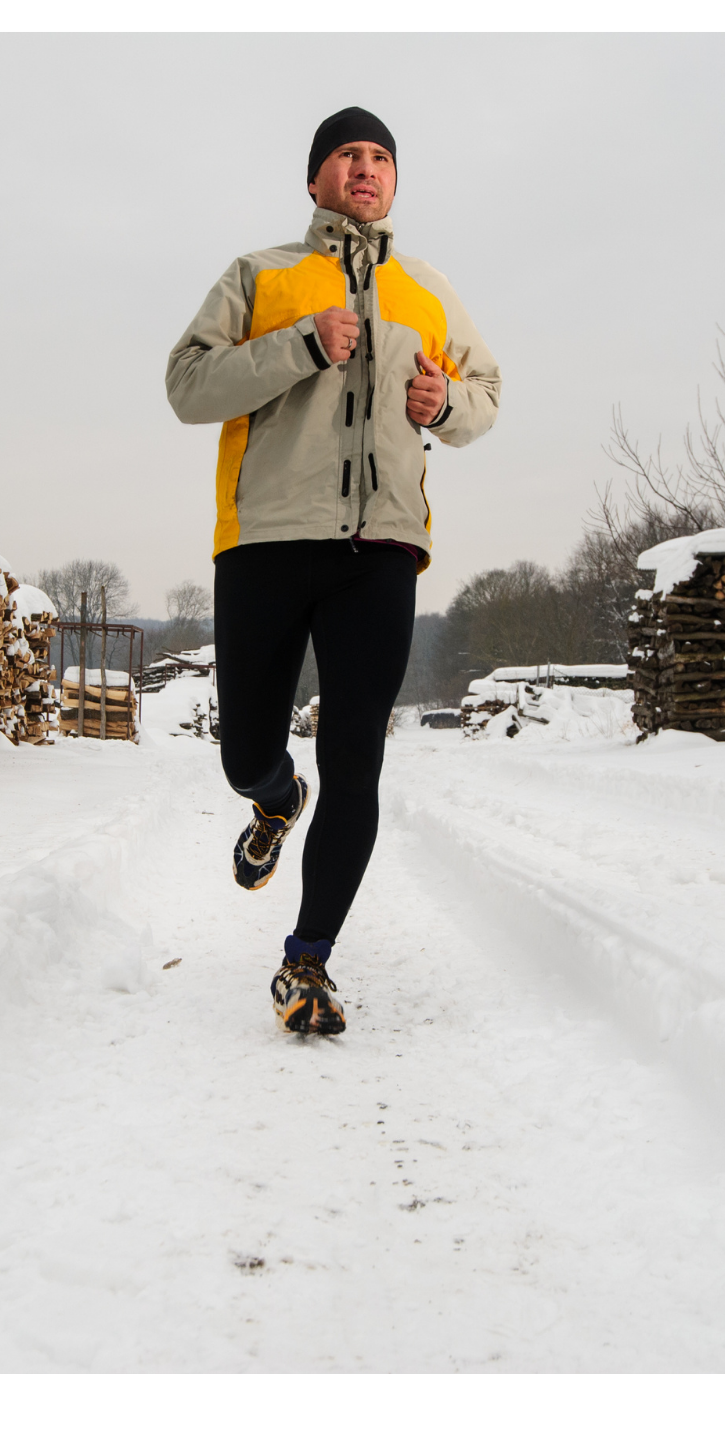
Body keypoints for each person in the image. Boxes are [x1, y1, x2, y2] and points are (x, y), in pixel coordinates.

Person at [164, 106, 502, 1035]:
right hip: (267, 538)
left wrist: (446, 403)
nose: (365, 168)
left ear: (393, 180)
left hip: (382, 547)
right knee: (245, 752)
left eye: (380, 157)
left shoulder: (426, 290)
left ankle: (306, 960)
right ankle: (275, 801)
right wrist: (303, 343)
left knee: (356, 760)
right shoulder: (261, 275)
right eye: (348, 155)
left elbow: (487, 393)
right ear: (315, 178)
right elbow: (187, 386)